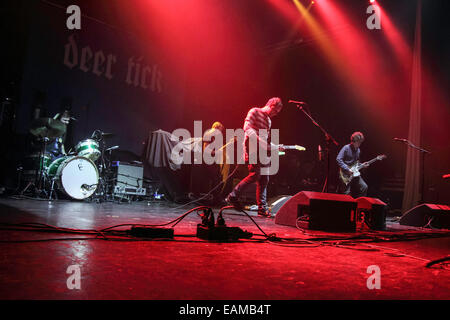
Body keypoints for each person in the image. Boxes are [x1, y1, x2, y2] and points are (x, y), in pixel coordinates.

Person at [225, 97, 284, 217]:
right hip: (251, 148)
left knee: (264, 179)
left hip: (261, 151)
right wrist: (260, 142)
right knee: (255, 174)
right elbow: (247, 128)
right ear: (271, 105)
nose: (275, 114)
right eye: (276, 111)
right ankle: (233, 195)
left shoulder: (268, 121)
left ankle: (262, 209)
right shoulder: (254, 111)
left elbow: (266, 140)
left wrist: (276, 146)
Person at [336, 131, 368, 198]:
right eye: (359, 142)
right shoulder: (346, 148)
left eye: (360, 142)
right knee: (347, 193)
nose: (360, 144)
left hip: (353, 173)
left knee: (364, 187)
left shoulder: (358, 150)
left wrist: (362, 165)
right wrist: (347, 169)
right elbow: (338, 159)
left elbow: (355, 163)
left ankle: (359, 205)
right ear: (354, 141)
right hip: (345, 174)